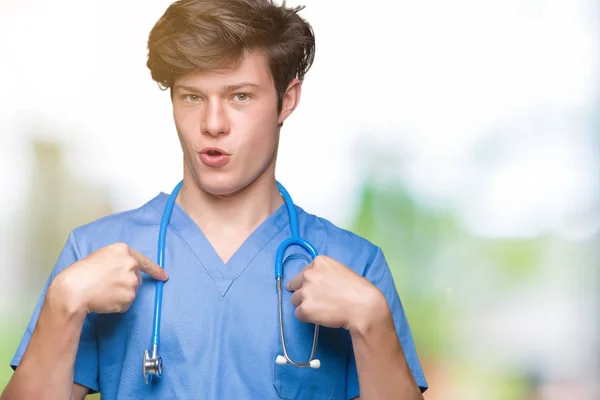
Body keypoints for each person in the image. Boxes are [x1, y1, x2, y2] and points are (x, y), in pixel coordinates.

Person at [1, 0, 428, 399]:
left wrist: (372, 322)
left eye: (239, 96)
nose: (212, 123)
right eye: (192, 97)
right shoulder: (93, 254)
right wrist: (62, 306)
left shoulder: (355, 265)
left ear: (287, 100)